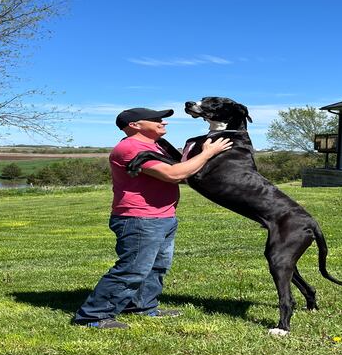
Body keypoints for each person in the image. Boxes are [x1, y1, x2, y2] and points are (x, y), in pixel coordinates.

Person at [72, 107, 232, 329]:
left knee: (157, 267)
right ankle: (93, 316)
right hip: (139, 218)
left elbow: (181, 172)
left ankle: (142, 306)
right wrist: (207, 153)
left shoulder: (154, 146)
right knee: (133, 268)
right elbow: (175, 174)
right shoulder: (130, 148)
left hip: (163, 216)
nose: (163, 123)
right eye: (156, 119)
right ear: (135, 125)